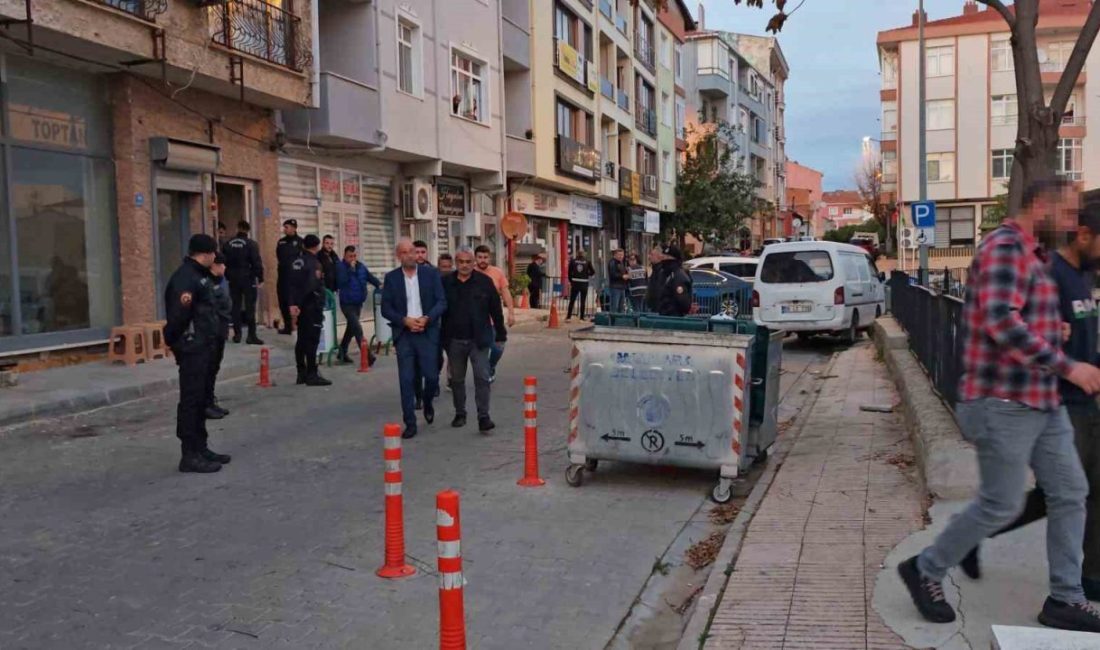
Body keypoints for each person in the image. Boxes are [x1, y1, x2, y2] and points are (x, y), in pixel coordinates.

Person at [898, 180, 1100, 632]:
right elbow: (1000, 320)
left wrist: (1055, 335)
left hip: (1039, 398)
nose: (1072, 225)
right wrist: (1068, 366)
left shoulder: (1035, 255)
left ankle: (1066, 598)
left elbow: (1026, 318)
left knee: (1070, 492)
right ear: (1040, 207)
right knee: (1001, 503)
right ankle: (926, 568)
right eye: (1066, 215)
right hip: (1002, 400)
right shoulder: (1004, 247)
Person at [959, 206, 1100, 602]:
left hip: (1086, 399)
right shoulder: (1048, 272)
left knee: (1083, 491)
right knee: (1064, 493)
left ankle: (1087, 577)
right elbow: (1014, 330)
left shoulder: (1083, 276)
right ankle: (972, 537)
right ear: (1084, 235)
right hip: (1057, 399)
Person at [163, 234, 229, 474]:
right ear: (208, 253)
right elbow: (178, 319)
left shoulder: (200, 276)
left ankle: (201, 447)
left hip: (204, 347)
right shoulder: (186, 278)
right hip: (193, 349)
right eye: (214, 252)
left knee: (201, 400)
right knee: (191, 402)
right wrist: (177, 345)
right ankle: (189, 454)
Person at [382, 239, 447, 439]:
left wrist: (427, 318)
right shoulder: (392, 278)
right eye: (405, 252)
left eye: (412, 251)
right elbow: (386, 308)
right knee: (406, 379)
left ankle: (427, 402)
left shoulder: (430, 274)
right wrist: (404, 321)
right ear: (398, 256)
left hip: (426, 332)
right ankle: (409, 422)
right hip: (405, 335)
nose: (410, 255)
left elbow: (441, 301)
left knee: (432, 376)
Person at [442, 248, 507, 433]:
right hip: (454, 340)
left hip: (479, 340)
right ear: (456, 262)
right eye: (460, 262)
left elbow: (495, 309)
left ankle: (484, 417)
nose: (464, 265)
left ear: (473, 263)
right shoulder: (446, 283)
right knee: (457, 379)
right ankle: (460, 413)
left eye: (468, 262)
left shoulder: (484, 282)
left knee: (482, 378)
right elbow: (440, 310)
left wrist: (501, 334)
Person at [289, 234, 332, 387]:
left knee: (301, 339)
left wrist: (294, 304)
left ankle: (301, 372)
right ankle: (312, 374)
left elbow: (291, 284)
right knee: (312, 341)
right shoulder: (314, 263)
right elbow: (312, 286)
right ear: (317, 246)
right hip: (311, 306)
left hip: (299, 306)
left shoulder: (296, 261)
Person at [474, 245, 515, 383]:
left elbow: (505, 292)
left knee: (498, 347)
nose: (482, 260)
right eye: (480, 257)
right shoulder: (470, 272)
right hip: (476, 321)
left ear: (489, 257)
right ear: (475, 258)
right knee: (482, 350)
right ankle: (484, 373)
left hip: (493, 320)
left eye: (485, 257)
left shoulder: (497, 272)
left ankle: (491, 366)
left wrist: (511, 312)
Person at [335, 245, 382, 365]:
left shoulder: (360, 266)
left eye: (354, 256)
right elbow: (341, 282)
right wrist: (350, 270)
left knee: (351, 328)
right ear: (345, 256)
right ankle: (367, 356)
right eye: (350, 256)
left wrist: (379, 284)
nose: (352, 258)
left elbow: (369, 277)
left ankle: (342, 352)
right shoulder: (340, 267)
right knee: (357, 328)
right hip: (347, 303)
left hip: (358, 302)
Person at [222, 220, 264, 345]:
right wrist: (260, 278)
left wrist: (227, 275)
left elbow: (223, 261)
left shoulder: (228, 244)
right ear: (248, 230)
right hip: (247, 278)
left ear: (237, 228)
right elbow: (256, 262)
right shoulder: (251, 244)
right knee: (250, 306)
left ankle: (237, 334)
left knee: (235, 306)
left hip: (233, 279)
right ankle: (251, 336)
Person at [205, 253, 233, 420]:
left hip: (221, 328)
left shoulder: (220, 281)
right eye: (222, 265)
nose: (224, 268)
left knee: (214, 367)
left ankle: (210, 400)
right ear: (214, 266)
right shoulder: (207, 283)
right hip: (212, 330)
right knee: (208, 368)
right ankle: (205, 404)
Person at [646, 244, 692, 316]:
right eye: (663, 257)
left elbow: (683, 303)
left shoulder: (678, 276)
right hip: (663, 315)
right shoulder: (665, 274)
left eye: (666, 257)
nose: (663, 260)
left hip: (674, 317)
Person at [276, 219, 304, 334]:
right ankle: (288, 326)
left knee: (296, 301)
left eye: (286, 227)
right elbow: (278, 255)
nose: (284, 229)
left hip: (295, 277)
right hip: (283, 276)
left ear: (294, 228)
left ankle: (299, 325)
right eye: (284, 227)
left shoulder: (301, 242)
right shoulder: (281, 242)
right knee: (282, 301)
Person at [567, 250, 596, 321]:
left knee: (572, 300)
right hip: (584, 283)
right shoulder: (587, 261)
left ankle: (568, 316)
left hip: (575, 283)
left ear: (577, 254)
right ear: (584, 254)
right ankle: (582, 317)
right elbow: (593, 272)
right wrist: (587, 274)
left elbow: (569, 272)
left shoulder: (573, 261)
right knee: (583, 301)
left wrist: (571, 281)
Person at [607, 249, 629, 313]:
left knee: (621, 307)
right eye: (619, 255)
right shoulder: (612, 262)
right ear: (615, 255)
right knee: (614, 306)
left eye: (622, 255)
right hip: (615, 287)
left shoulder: (621, 263)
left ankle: (619, 321)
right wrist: (622, 276)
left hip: (622, 287)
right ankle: (612, 322)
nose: (621, 256)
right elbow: (613, 274)